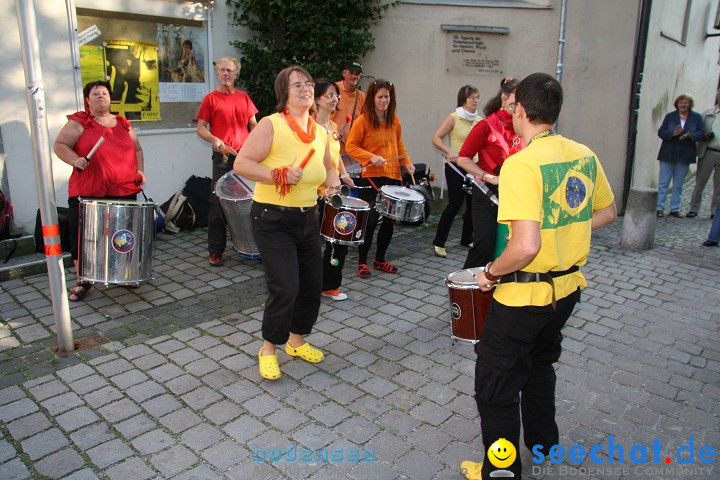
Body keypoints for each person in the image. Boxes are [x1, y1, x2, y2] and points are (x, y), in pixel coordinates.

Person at [459, 73, 617, 480]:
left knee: (494, 384)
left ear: (521, 110)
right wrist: (566, 232)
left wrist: (490, 273)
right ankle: (544, 444)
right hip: (566, 292)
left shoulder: (521, 164)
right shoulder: (584, 154)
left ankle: (501, 469)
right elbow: (606, 212)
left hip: (523, 298)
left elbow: (525, 246)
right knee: (540, 364)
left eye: (513, 107)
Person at [234, 66, 341, 380]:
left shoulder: (320, 131)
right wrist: (276, 174)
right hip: (272, 218)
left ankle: (296, 341)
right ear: (284, 92)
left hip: (309, 217)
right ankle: (268, 348)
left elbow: (329, 167)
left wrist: (332, 186)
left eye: (308, 84)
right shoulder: (271, 125)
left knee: (311, 285)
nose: (306, 89)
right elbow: (242, 163)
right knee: (286, 287)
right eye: (297, 85)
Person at [53, 80, 146, 302]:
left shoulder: (123, 124)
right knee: (83, 236)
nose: (101, 96)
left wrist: (140, 170)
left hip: (123, 188)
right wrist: (75, 159)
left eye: (104, 93)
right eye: (95, 94)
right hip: (88, 189)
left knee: (123, 234)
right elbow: (60, 145)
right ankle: (83, 279)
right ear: (88, 99)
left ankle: (125, 271)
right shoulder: (80, 122)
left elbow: (138, 149)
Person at [345, 79, 415, 278]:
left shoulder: (394, 120)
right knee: (371, 221)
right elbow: (351, 146)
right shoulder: (363, 120)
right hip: (371, 178)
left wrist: (406, 162)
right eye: (380, 97)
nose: (384, 100)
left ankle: (380, 259)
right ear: (372, 98)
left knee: (389, 221)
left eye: (387, 96)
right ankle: (361, 261)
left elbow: (399, 144)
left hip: (392, 176)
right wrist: (370, 157)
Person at [196, 56, 258, 266]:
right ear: (217, 73)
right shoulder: (210, 99)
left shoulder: (244, 97)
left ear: (236, 74)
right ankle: (216, 250)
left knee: (252, 201)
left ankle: (253, 246)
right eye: (222, 70)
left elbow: (254, 126)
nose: (225, 74)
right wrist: (215, 140)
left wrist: (258, 147)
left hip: (245, 157)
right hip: (223, 157)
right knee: (218, 204)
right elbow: (201, 128)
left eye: (229, 70)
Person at [458, 77, 523, 269]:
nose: (519, 106)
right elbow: (463, 158)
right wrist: (488, 177)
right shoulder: (486, 126)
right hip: (487, 194)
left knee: (512, 247)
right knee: (485, 246)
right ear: (504, 97)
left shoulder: (524, 128)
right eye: (516, 101)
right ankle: (466, 291)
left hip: (515, 195)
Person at [313, 79, 355, 301]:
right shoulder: (309, 127)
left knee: (338, 238)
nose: (334, 99)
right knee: (311, 242)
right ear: (317, 98)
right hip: (314, 192)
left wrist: (344, 173)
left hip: (333, 191)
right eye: (329, 95)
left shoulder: (334, 126)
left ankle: (329, 285)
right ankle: (309, 283)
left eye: (336, 95)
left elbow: (335, 153)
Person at [431, 85, 481, 257]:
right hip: (455, 166)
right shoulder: (453, 118)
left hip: (473, 167)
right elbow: (436, 137)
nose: (475, 101)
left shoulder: (479, 121)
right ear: (463, 100)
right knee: (455, 203)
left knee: (473, 203)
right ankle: (439, 242)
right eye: (471, 98)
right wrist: (449, 151)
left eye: (477, 97)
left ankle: (467, 238)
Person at [655, 93, 704, 218]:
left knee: (678, 184)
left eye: (686, 102)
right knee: (664, 183)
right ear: (677, 104)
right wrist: (673, 133)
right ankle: (659, 208)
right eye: (681, 102)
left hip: (685, 154)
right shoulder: (670, 117)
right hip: (668, 153)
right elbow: (661, 132)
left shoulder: (696, 118)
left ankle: (674, 209)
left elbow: (701, 133)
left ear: (690, 104)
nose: (683, 104)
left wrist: (690, 136)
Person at [688, 89, 720, 219]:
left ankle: (714, 211)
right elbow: (698, 130)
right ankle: (693, 209)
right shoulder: (708, 113)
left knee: (719, 186)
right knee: (700, 183)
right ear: (717, 96)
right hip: (708, 151)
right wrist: (704, 136)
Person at [332, 61, 365, 158]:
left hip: (351, 151)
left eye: (357, 74)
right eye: (351, 73)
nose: (354, 76)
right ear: (344, 73)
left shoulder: (362, 97)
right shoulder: (333, 89)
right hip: (331, 145)